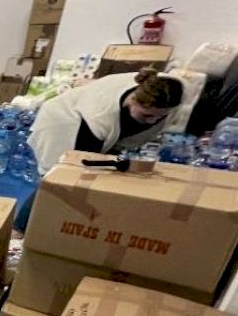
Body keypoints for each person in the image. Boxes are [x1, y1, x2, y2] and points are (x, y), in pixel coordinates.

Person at [14, 67, 184, 233]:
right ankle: (20, 229)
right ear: (133, 100)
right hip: (65, 119)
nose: (152, 121)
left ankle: (71, 226)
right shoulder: (100, 116)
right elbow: (84, 163)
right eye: (147, 115)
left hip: (107, 122)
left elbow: (125, 142)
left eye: (160, 116)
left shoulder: (168, 89)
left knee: (105, 175)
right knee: (58, 179)